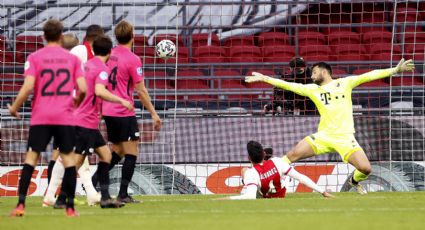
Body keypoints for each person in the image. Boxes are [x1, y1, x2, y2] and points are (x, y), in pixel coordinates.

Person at [245, 59, 415, 195]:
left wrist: (395, 70)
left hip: (345, 137)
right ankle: (264, 182)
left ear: (324, 71)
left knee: (365, 168)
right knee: (290, 156)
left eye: (314, 72)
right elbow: (290, 86)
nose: (311, 76)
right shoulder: (313, 89)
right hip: (324, 136)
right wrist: (265, 78)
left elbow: (370, 75)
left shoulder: (345, 83)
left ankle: (354, 181)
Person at [8, 19, 87, 217]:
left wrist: (15, 107)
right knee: (68, 159)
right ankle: (69, 208)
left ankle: (20, 205)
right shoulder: (72, 59)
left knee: (31, 158)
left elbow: (27, 87)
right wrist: (76, 102)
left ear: (43, 36)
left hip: (41, 116)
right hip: (64, 115)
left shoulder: (35, 57)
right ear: (61, 36)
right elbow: (83, 88)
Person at [44, 35, 133, 209]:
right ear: (109, 52)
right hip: (84, 123)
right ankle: (62, 199)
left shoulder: (85, 66)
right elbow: (99, 91)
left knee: (106, 155)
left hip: (83, 120)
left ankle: (105, 198)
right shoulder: (102, 69)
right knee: (76, 162)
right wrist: (121, 101)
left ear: (93, 50)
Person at [91, 20, 162, 203]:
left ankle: (93, 181)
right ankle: (123, 193)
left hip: (107, 111)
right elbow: (141, 90)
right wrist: (154, 113)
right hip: (123, 111)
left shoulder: (109, 54)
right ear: (133, 36)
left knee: (118, 151)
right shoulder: (133, 59)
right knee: (131, 152)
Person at [46, 24, 105, 207]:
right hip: (73, 110)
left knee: (72, 154)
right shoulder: (80, 50)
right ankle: (62, 195)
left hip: (81, 110)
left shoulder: (88, 54)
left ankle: (88, 193)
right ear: (94, 40)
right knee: (71, 154)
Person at [226, 141, 333, 200]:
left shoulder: (250, 172)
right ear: (264, 154)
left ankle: (247, 182)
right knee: (283, 172)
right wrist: (322, 191)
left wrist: (226, 199)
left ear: (249, 158)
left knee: (244, 170)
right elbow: (301, 177)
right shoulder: (277, 161)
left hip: (263, 194)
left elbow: (250, 196)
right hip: (280, 194)